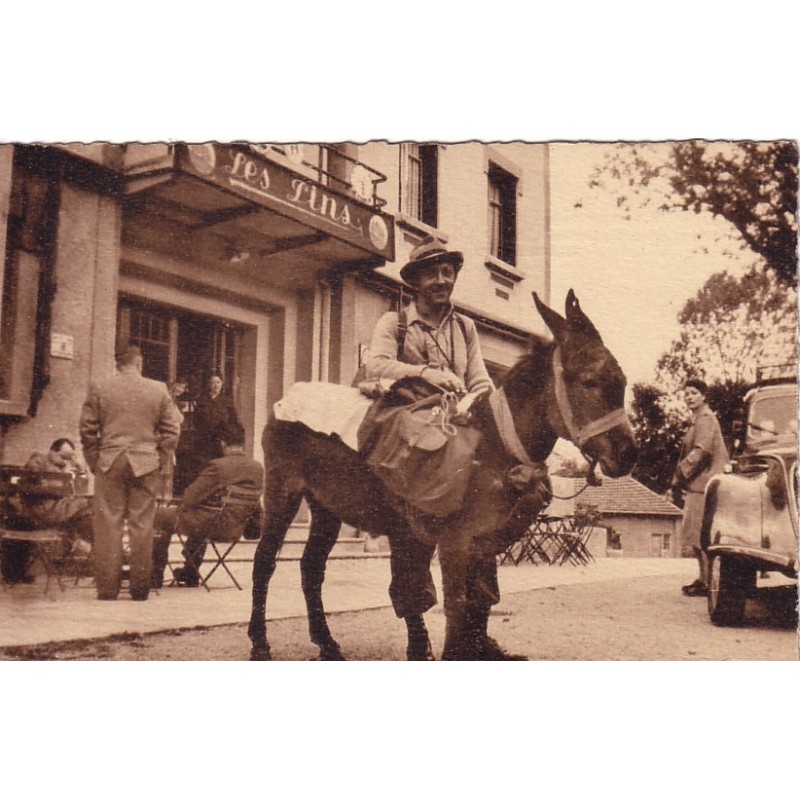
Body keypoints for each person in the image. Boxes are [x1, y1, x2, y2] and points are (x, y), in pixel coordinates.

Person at [363, 235, 511, 659]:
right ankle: (416, 633)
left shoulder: (465, 327)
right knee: (412, 532)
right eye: (432, 273)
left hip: (460, 430)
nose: (442, 280)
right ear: (414, 281)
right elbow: (374, 365)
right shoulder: (397, 323)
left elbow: (480, 377)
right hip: (413, 430)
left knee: (481, 522)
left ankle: (476, 633)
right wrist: (427, 372)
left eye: (448, 272)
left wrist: (481, 399)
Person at [79, 345, 181, 601]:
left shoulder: (100, 387)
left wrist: (95, 461)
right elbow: (172, 430)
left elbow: (87, 430)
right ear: (139, 363)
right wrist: (159, 458)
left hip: (110, 461)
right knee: (142, 525)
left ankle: (107, 589)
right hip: (145, 463)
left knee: (107, 526)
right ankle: (139, 589)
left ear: (118, 364)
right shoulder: (158, 389)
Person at [152, 421, 263, 588]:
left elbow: (190, 497)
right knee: (203, 516)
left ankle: (155, 574)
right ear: (243, 442)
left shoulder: (218, 466)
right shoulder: (257, 468)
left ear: (222, 443)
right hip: (234, 528)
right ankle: (191, 572)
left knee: (159, 516)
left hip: (212, 525)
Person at [0, 438, 92, 584]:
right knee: (87, 509)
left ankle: (94, 549)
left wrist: (80, 472)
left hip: (59, 509)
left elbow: (79, 492)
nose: (65, 462)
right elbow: (30, 481)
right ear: (52, 451)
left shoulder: (66, 469)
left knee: (88, 510)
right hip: (43, 509)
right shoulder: (39, 460)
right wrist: (62, 481)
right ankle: (96, 550)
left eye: (69, 459)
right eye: (63, 457)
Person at [671, 378, 729, 597]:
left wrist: (680, 474)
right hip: (699, 483)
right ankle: (704, 579)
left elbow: (702, 450)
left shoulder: (705, 418)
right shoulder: (697, 419)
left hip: (704, 483)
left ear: (704, 396)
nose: (689, 397)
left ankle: (707, 582)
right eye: (686, 393)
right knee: (697, 536)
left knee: (700, 535)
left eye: (694, 393)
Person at [181, 373, 240, 490]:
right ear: (209, 384)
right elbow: (196, 420)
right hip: (204, 440)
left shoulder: (227, 401)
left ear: (222, 384)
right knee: (204, 466)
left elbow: (233, 421)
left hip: (220, 440)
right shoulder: (202, 400)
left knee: (220, 466)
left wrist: (229, 437)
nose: (215, 385)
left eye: (218, 382)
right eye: (213, 382)